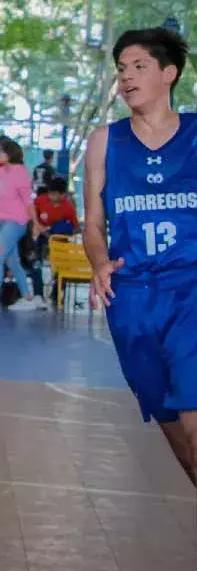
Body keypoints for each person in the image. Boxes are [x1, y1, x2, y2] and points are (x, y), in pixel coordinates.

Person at [84, 27, 197, 486]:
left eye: (139, 67)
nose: (127, 78)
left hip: (189, 289)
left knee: (194, 421)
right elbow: (93, 222)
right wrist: (98, 262)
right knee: (177, 434)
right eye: (122, 70)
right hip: (130, 298)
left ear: (168, 74)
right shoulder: (104, 141)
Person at [0, 138, 46, 311]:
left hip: (16, 222)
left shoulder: (21, 173)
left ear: (9, 154)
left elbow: (28, 202)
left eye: (1, 151)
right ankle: (27, 298)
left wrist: (35, 223)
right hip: (2, 222)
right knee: (13, 262)